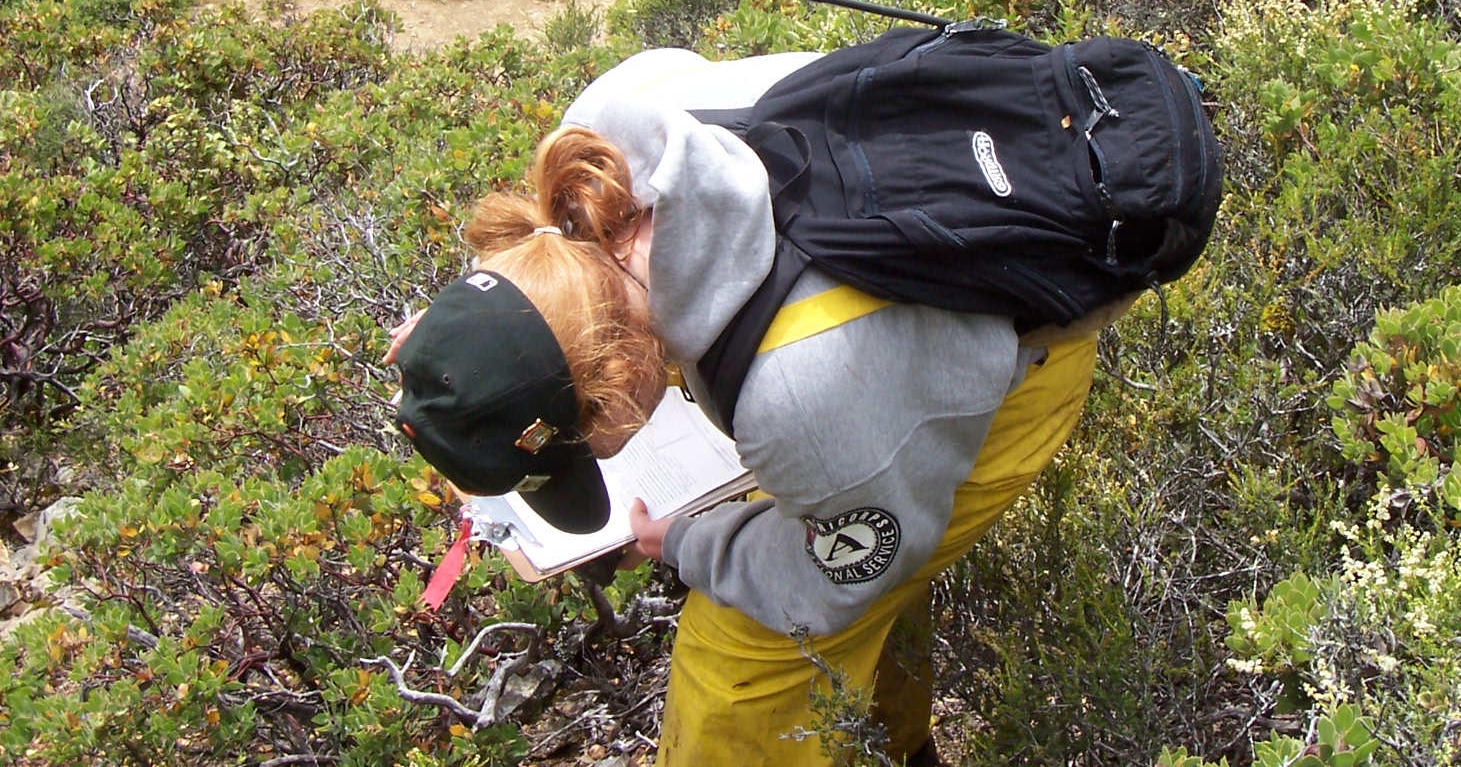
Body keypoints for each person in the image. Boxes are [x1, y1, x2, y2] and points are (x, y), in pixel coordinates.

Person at [388, 47, 1139, 766]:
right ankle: (899, 748)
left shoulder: (802, 402)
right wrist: (482, 327)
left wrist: (687, 542)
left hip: (1020, 358)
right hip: (891, 340)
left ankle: (893, 746)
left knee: (744, 661)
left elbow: (838, 577)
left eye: (591, 437)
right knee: (852, 506)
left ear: (615, 377)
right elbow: (554, 276)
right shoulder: (599, 137)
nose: (607, 450)